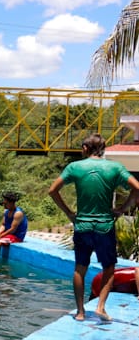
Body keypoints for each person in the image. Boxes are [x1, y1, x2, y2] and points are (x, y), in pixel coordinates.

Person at [48, 133, 139, 322]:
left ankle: (80, 312)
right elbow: (137, 187)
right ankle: (100, 307)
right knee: (109, 268)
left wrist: (69, 213)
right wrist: (122, 209)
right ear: (103, 149)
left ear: (85, 148)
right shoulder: (115, 167)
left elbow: (53, 190)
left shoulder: (75, 167)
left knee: (80, 269)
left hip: (82, 225)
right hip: (105, 226)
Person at [0, 192, 28, 260]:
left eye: (5, 203)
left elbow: (13, 230)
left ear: (11, 203)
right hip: (7, 234)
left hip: (16, 236)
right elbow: (3, 225)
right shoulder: (6, 211)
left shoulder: (18, 213)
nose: (3, 205)